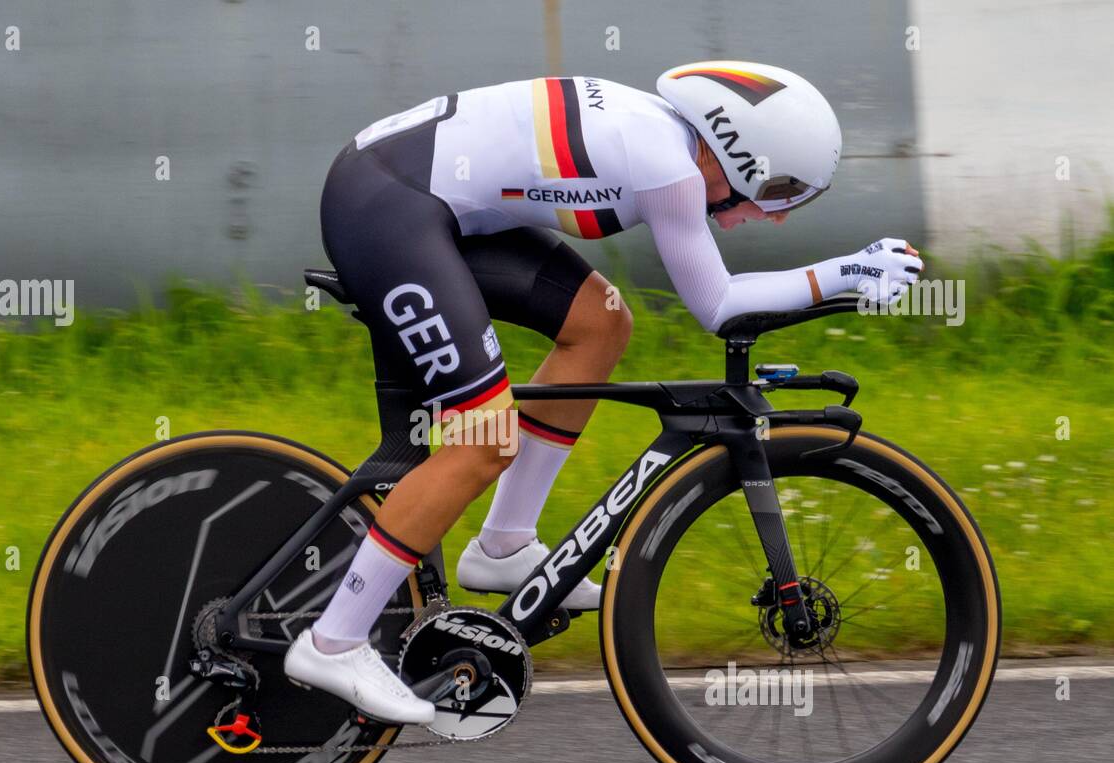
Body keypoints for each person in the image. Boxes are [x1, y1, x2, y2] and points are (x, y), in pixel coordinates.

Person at [284, 61, 924, 723]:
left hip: (421, 203)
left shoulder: (664, 139)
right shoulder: (666, 168)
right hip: (388, 210)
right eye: (773, 190)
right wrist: (841, 276)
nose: (770, 216)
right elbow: (721, 308)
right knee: (485, 438)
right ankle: (335, 641)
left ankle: (504, 544)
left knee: (602, 322)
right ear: (735, 150)